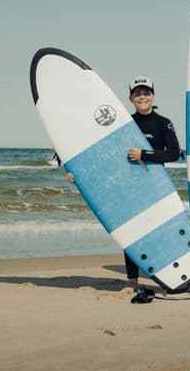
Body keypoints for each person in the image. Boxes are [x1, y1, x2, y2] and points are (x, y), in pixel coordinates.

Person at [67, 76, 181, 291]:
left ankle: (167, 275)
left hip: (155, 187)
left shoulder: (163, 122)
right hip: (130, 187)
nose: (142, 96)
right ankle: (132, 281)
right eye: (137, 93)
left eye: (146, 92)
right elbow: (108, 159)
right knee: (134, 232)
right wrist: (79, 175)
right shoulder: (125, 125)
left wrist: (144, 154)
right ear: (130, 98)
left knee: (159, 232)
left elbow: (174, 153)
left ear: (153, 95)